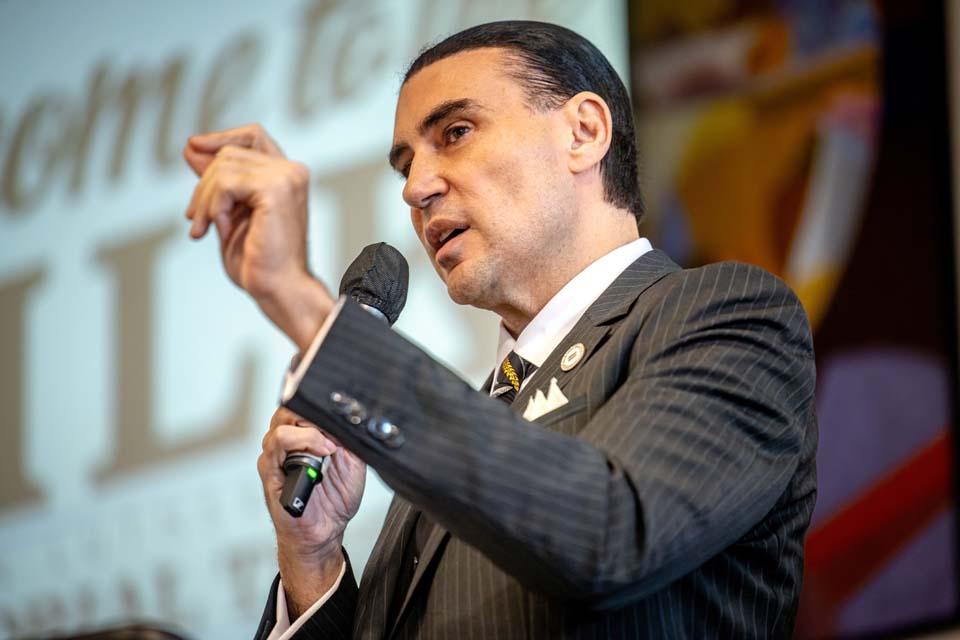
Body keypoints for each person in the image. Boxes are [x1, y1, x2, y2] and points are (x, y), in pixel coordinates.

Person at [183, 21, 817, 639]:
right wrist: (313, 561)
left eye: (456, 133)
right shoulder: (468, 423)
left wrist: (300, 300)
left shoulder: (729, 315)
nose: (416, 189)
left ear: (584, 132)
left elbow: (609, 535)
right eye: (405, 166)